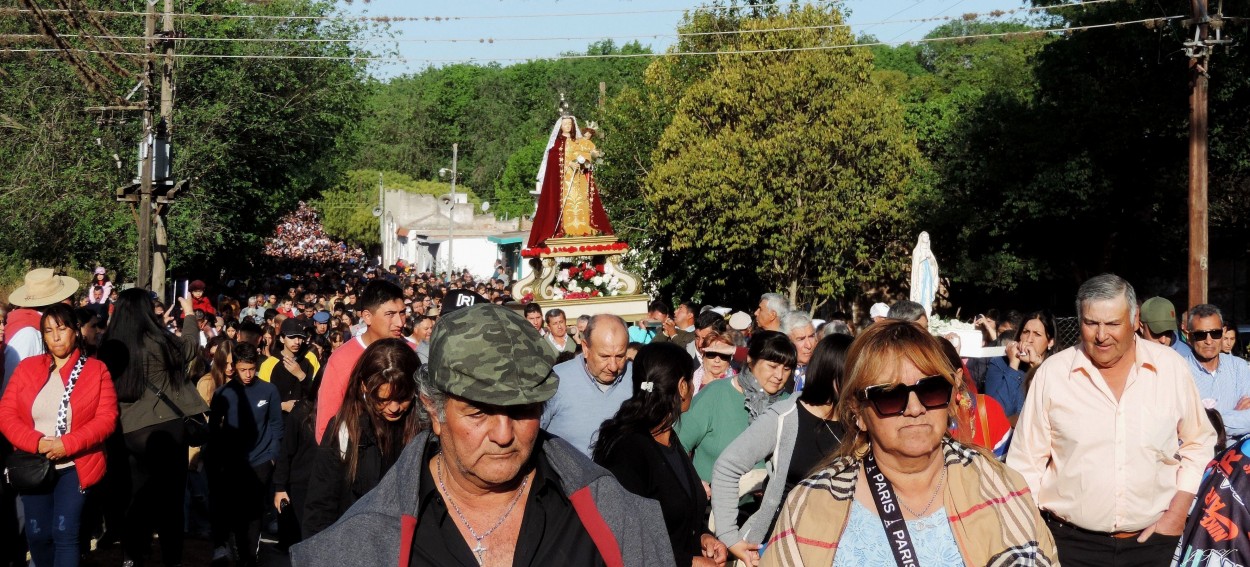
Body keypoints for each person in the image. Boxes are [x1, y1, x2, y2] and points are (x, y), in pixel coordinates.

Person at [291, 305, 674, 566]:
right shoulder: (363, 539)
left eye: (522, 411)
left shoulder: (610, 514)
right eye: (478, 412)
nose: (504, 435)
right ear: (434, 410)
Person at [763, 320, 1057, 566]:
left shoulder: (1001, 486)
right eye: (890, 395)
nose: (915, 408)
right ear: (858, 414)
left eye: (931, 390)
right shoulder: (812, 504)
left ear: (951, 395)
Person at [1007, 274, 1216, 566]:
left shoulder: (1171, 369)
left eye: (1113, 324)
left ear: (1135, 320)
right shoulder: (1053, 375)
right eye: (1091, 323)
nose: (1101, 335)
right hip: (1068, 545)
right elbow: (1024, 464)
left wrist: (1178, 514)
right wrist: (1034, 533)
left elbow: (1199, 442)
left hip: (1154, 543)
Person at [712, 334, 851, 567]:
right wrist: (729, 537)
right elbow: (727, 466)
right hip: (781, 548)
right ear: (833, 372)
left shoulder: (861, 422)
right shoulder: (785, 416)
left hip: (839, 550)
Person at [0, 303, 117, 567]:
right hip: (34, 463)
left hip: (75, 464)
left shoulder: (96, 371)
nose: (55, 337)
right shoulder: (27, 368)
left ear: (75, 331)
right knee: (38, 536)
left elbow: (106, 419)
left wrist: (68, 444)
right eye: (49, 330)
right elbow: (6, 414)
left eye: (61, 329)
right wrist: (36, 442)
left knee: (65, 534)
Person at [592, 342, 729, 567]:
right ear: (683, 387)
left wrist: (703, 537)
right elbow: (621, 538)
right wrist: (688, 563)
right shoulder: (628, 449)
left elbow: (679, 516)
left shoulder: (668, 438)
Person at [98, 289, 208, 567]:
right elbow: (191, 348)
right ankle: (171, 559)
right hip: (165, 428)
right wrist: (190, 314)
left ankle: (132, 556)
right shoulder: (158, 341)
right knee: (170, 501)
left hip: (125, 431)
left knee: (134, 499)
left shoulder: (108, 345)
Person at [303, 338, 422, 537]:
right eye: (382, 399)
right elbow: (321, 504)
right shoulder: (345, 429)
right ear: (365, 387)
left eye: (402, 398)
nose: (393, 408)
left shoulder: (427, 430)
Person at [677, 331, 794, 492]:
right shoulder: (715, 394)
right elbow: (677, 444)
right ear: (751, 361)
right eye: (772, 366)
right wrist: (694, 483)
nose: (779, 375)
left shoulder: (789, 405)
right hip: (713, 504)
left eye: (786, 368)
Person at [207, 342, 283, 567]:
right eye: (243, 369)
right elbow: (214, 429)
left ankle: (250, 557)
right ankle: (236, 550)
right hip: (232, 464)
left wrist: (273, 457)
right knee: (235, 513)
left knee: (254, 512)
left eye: (252, 368)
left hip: (261, 461)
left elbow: (277, 426)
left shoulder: (269, 390)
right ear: (234, 367)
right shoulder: (223, 393)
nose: (248, 374)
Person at [314, 280, 409, 442]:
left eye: (402, 313)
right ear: (367, 316)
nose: (400, 322)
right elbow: (326, 426)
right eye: (390, 314)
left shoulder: (413, 352)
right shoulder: (342, 359)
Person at [541, 314, 632, 457]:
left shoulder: (639, 378)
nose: (613, 367)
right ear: (585, 348)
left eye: (620, 356)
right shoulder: (556, 381)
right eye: (604, 356)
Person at [526, 113, 614, 248]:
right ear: (560, 126)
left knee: (582, 201)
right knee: (566, 203)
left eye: (570, 124)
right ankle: (565, 229)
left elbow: (588, 151)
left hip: (578, 179)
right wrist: (569, 164)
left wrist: (584, 161)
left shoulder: (578, 141)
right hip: (563, 182)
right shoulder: (556, 143)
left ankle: (585, 228)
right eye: (565, 124)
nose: (568, 126)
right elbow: (554, 162)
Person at [1182, 304, 1250, 438]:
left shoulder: (1239, 367)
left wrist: (1208, 423)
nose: (1209, 341)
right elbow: (1182, 425)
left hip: (1235, 454)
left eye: (1215, 333)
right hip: (1197, 455)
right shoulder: (1179, 370)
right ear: (1190, 337)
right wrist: (1234, 418)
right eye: (1201, 335)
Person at [983, 310, 1054, 423]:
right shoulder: (999, 364)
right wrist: (1013, 366)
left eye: (1037, 334)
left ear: (1050, 342)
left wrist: (1036, 368)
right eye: (1025, 332)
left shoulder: (1057, 368)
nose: (1029, 339)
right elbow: (995, 414)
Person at [259, 318, 319, 412]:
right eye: (291, 337)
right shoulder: (269, 363)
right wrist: (283, 406)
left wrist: (301, 375)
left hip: (304, 419)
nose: (296, 342)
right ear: (282, 339)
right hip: (279, 421)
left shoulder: (310, 358)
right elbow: (261, 400)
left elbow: (319, 392)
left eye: (300, 337)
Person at [780, 312, 816, 392]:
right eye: (801, 339)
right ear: (787, 341)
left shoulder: (823, 369)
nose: (809, 345)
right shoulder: (777, 371)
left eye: (811, 336)